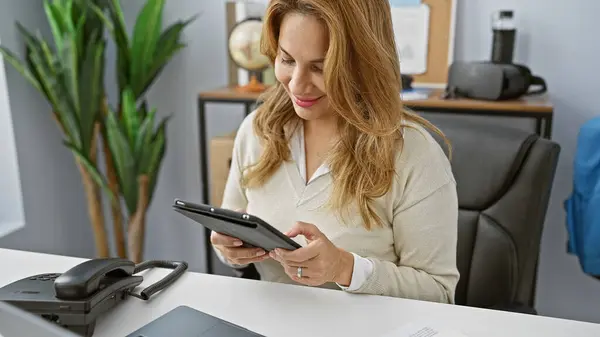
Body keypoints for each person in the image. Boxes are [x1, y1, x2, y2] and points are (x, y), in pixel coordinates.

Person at [211, 0, 459, 304]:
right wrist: (230, 250)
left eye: (320, 67)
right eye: (287, 60)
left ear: (363, 63)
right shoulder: (257, 130)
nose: (298, 85)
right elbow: (230, 239)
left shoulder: (414, 154)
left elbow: (439, 293)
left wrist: (345, 268)